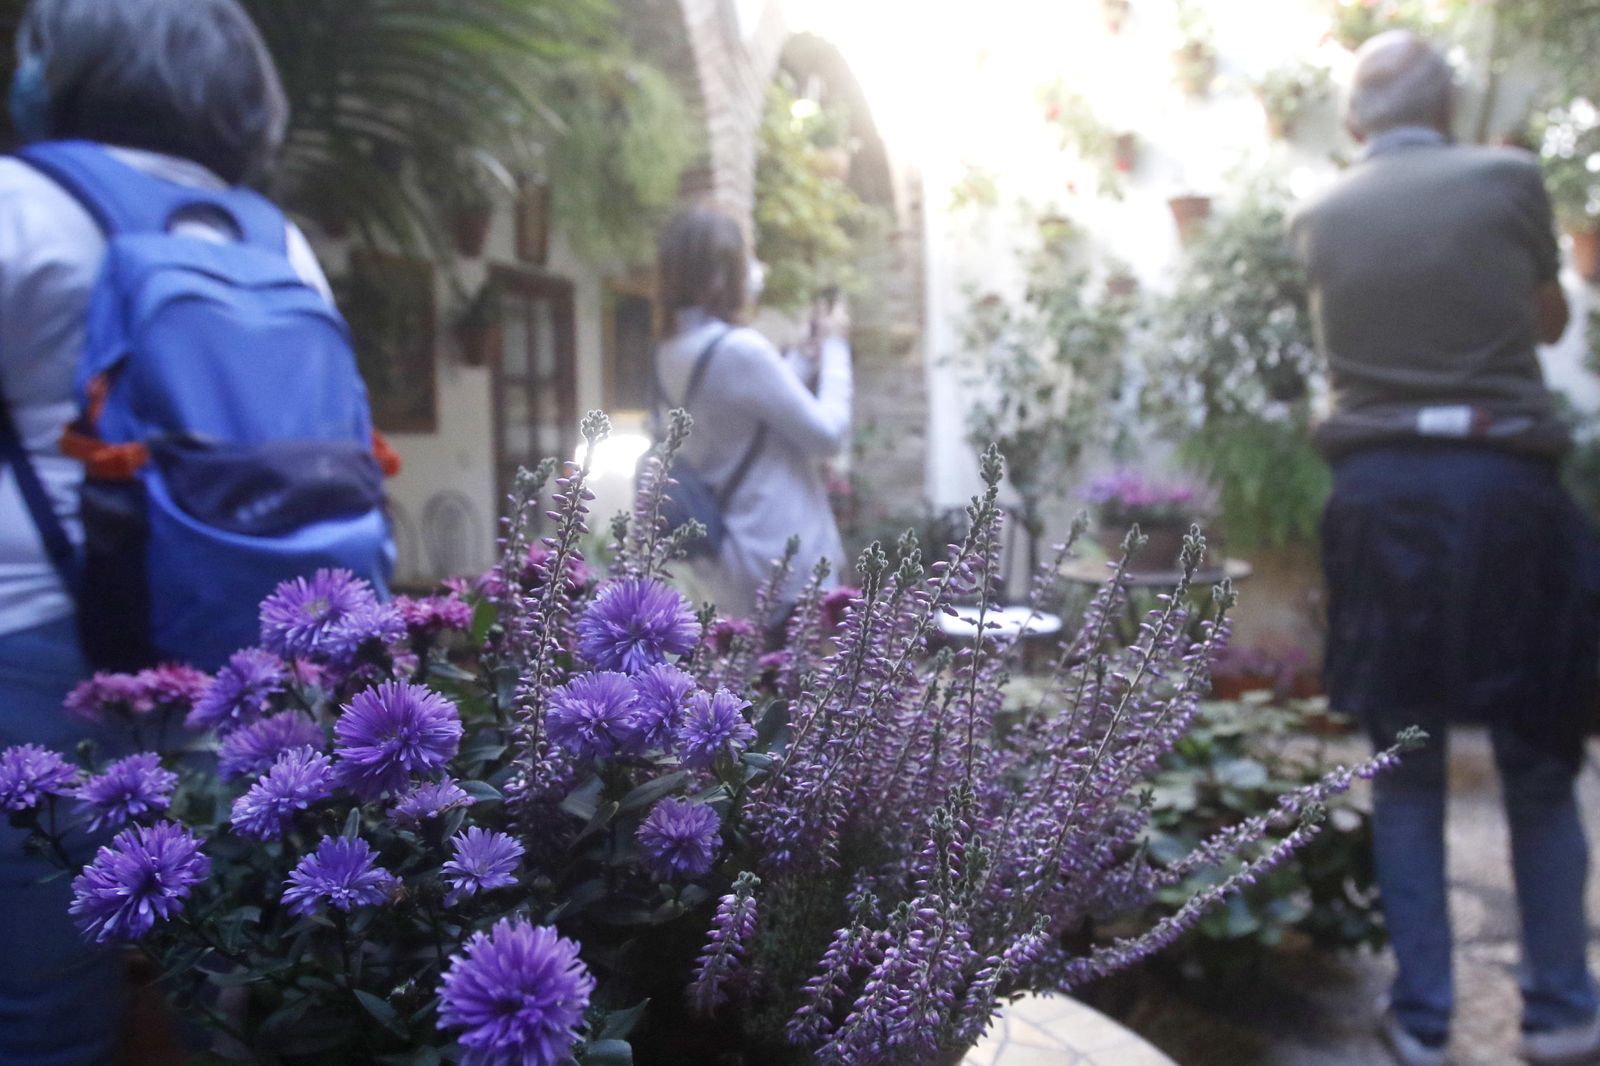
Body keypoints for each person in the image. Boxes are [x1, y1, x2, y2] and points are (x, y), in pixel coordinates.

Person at [0, 1, 334, 1060]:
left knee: (42, 979)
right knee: (231, 962)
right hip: (241, 648)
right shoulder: (276, 238)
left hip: (38, 638)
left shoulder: (17, 203)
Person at [1291, 31, 1600, 1066]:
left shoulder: (1319, 212)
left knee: (1407, 770)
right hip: (1507, 493)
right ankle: (1560, 1014)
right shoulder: (1509, 177)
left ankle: (1421, 1023)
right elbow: (1547, 320)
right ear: (1455, 107)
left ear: (1352, 123)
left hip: (1378, 499)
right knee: (1538, 764)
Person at [654, 207, 853, 623]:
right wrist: (835, 348)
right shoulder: (739, 348)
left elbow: (738, 417)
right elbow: (828, 434)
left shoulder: (672, 352)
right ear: (721, 275)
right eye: (746, 258)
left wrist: (797, 361)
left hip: (743, 555)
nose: (755, 270)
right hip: (786, 554)